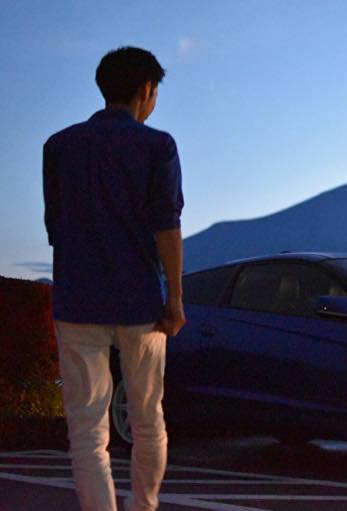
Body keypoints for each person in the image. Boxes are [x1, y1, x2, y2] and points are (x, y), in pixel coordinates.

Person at [43, 46, 185, 511]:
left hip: (77, 300)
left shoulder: (58, 147)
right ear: (146, 90)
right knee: (147, 420)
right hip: (139, 302)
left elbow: (55, 228)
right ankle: (144, 505)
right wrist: (175, 299)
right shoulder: (157, 146)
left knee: (86, 432)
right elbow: (166, 225)